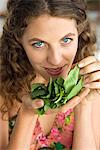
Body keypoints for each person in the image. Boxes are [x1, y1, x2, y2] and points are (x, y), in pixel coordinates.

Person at [0, 0, 100, 149]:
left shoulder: (92, 81)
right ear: (18, 40)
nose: (55, 59)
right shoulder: (3, 88)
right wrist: (27, 114)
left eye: (66, 40)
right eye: (39, 44)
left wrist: (83, 105)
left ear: (79, 34)